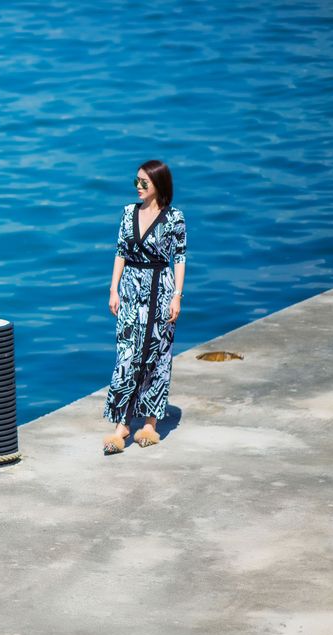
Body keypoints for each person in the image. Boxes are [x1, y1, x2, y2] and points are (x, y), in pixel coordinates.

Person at [102, 160, 187, 455]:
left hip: (160, 289)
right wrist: (113, 288)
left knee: (157, 355)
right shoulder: (128, 213)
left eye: (144, 183)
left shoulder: (174, 218)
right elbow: (120, 252)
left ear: (158, 185)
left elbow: (179, 257)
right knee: (126, 355)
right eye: (136, 182)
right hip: (130, 290)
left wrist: (177, 295)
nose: (138, 187)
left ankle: (149, 423)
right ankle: (121, 425)